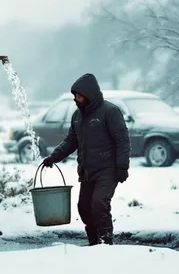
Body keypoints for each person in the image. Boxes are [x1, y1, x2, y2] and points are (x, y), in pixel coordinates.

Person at [41, 73, 130, 245]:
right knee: (84, 208)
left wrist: (122, 167)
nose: (76, 99)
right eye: (75, 96)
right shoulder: (77, 116)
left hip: (108, 169)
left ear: (89, 94)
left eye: (79, 95)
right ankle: (93, 241)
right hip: (87, 171)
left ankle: (105, 242)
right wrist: (53, 157)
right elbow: (70, 141)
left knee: (99, 205)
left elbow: (122, 140)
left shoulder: (110, 112)